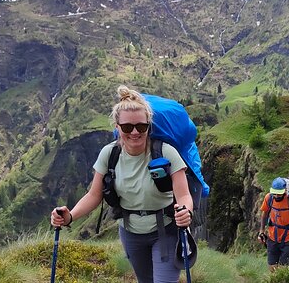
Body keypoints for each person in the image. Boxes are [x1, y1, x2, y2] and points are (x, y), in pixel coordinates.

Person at [50, 85, 194, 283]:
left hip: (166, 230)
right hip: (130, 234)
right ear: (117, 127)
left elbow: (184, 194)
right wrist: (69, 217)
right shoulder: (109, 154)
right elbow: (94, 195)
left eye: (141, 127)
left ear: (148, 126)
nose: (134, 132)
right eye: (127, 127)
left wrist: (186, 211)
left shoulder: (166, 152)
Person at [258, 177, 289, 271]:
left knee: (284, 270)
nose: (276, 195)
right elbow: (264, 215)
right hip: (272, 238)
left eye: (279, 194)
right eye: (274, 193)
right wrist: (261, 231)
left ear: (285, 191)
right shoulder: (269, 198)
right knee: (272, 269)